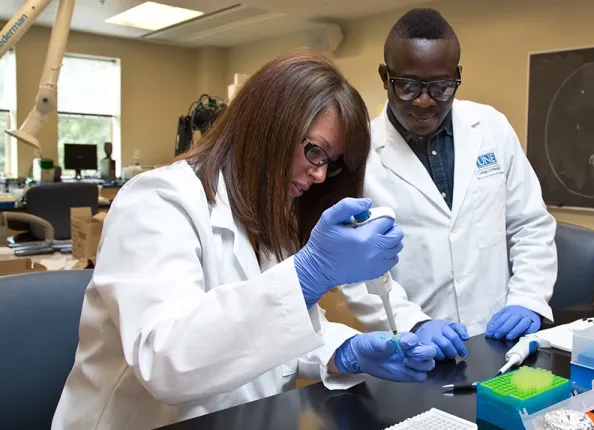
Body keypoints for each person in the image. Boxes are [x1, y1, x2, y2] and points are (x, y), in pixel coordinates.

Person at [52, 50, 437, 430]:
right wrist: (306, 276)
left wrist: (346, 352)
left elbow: (271, 337)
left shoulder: (272, 211)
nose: (320, 176)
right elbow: (166, 361)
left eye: (331, 163)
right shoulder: (157, 201)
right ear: (268, 125)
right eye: (315, 151)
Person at [342, 9, 558, 360]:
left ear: (457, 76)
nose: (425, 101)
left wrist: (528, 299)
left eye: (441, 87)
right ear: (385, 76)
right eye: (408, 86)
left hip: (499, 340)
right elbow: (356, 270)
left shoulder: (491, 127)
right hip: (415, 350)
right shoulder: (359, 155)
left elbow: (529, 223)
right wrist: (413, 323)